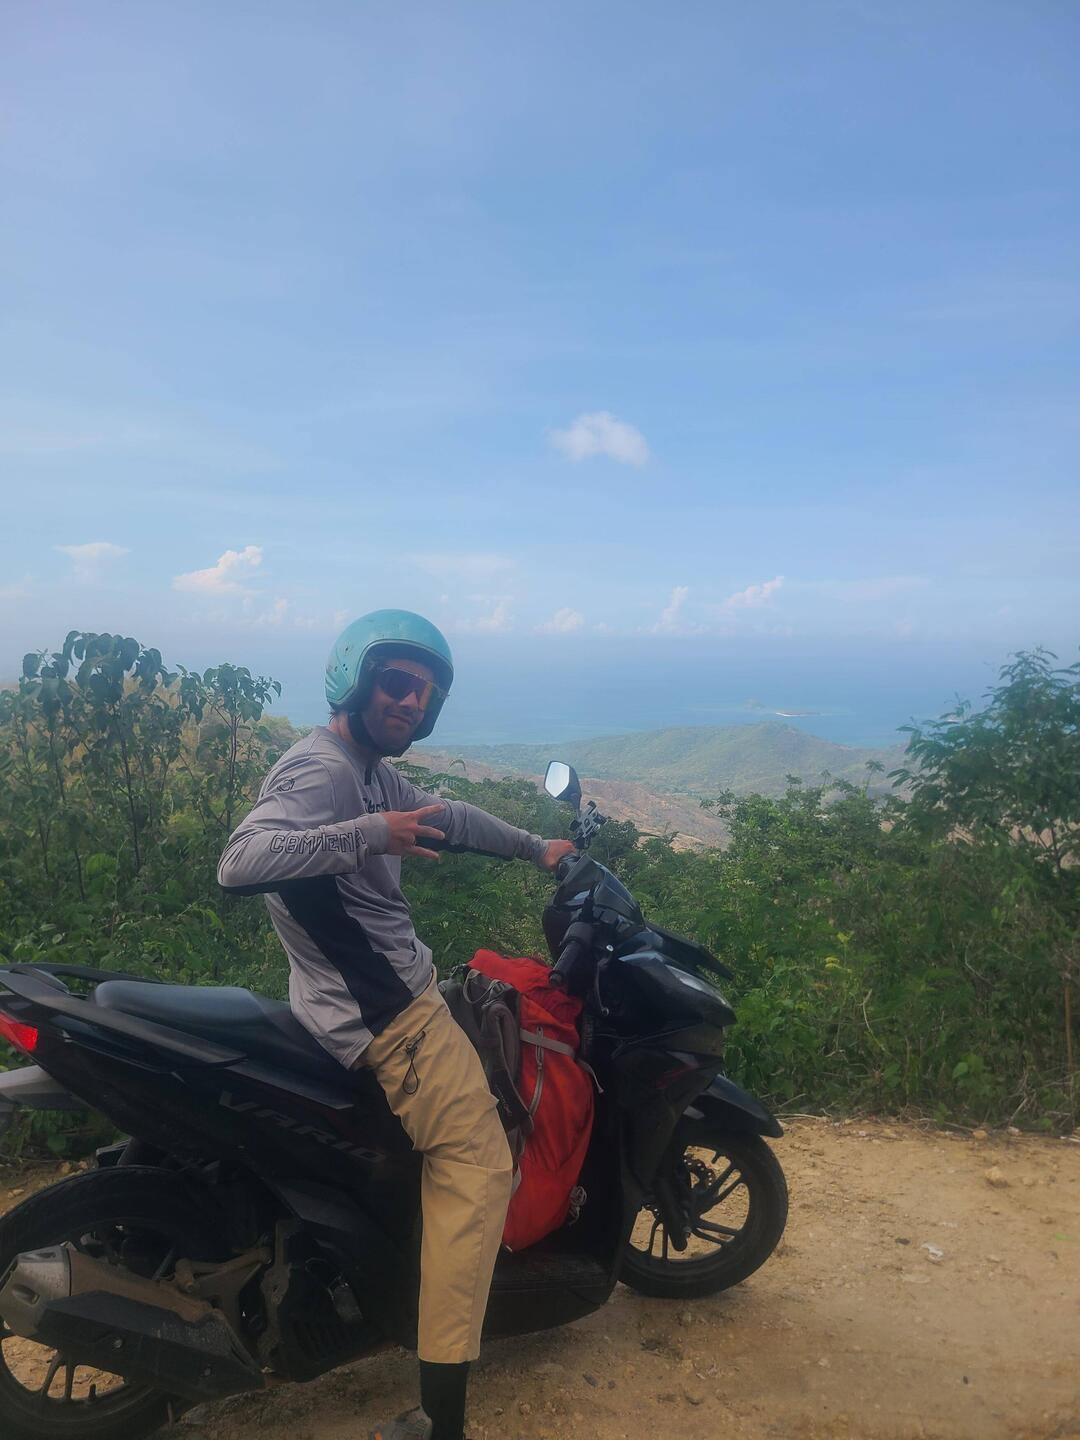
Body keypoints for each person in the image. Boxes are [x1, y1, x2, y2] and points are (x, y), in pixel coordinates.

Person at [217, 610, 575, 1440]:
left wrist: (537, 848)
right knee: (479, 1163)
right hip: (390, 1020)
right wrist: (369, 835)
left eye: (427, 692)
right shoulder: (324, 771)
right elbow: (240, 862)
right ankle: (438, 1418)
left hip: (373, 999)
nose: (413, 701)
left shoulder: (369, 769)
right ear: (356, 678)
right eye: (398, 682)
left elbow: (450, 817)